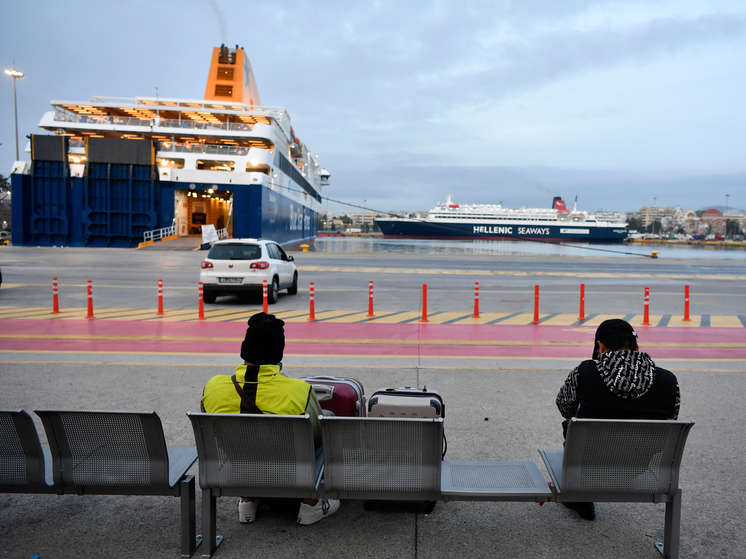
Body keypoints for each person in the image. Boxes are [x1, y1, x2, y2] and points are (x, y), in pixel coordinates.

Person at [201, 312, 340, 525]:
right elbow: (318, 437)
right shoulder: (298, 390)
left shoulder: (213, 387)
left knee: (242, 438)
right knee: (326, 420)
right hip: (289, 468)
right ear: (279, 355)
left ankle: (247, 500)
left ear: (243, 350)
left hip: (240, 465)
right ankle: (310, 505)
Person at [555, 318, 680, 520]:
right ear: (637, 347)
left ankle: (581, 497)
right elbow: (670, 421)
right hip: (636, 466)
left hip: (586, 464)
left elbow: (563, 407)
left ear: (600, 346)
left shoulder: (585, 372)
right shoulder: (668, 380)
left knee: (574, 424)